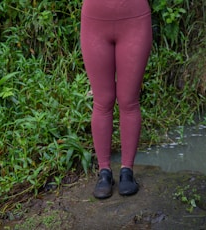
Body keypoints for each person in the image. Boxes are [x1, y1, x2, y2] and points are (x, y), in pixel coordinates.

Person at [80, 0, 152, 199]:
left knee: (128, 100)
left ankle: (127, 171)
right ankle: (104, 172)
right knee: (103, 101)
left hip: (134, 20)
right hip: (94, 22)